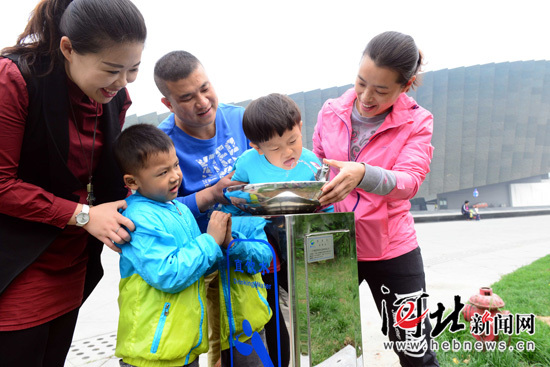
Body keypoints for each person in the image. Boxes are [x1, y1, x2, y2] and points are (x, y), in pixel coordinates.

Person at [0, 0, 146, 365]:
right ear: (68, 48)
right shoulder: (14, 79)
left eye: (133, 69)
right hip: (16, 262)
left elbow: (111, 182)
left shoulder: (113, 96)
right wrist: (83, 216)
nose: (122, 82)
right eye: (112, 69)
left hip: (72, 260)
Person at [313, 31, 439, 366]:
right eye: (361, 82)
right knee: (328, 347)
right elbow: (315, 166)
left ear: (406, 85)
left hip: (393, 249)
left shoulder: (417, 121)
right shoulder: (330, 111)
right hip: (336, 245)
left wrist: (363, 174)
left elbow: (409, 181)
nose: (367, 97)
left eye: (381, 90)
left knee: (415, 351)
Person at [153, 51, 252, 367]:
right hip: (200, 264)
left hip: (249, 254)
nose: (203, 102)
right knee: (216, 349)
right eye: (187, 97)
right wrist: (211, 194)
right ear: (168, 104)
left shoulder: (241, 120)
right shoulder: (161, 144)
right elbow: (156, 211)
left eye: (205, 88)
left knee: (264, 345)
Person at [223, 93, 333, 367]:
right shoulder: (248, 163)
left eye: (293, 140)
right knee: (269, 311)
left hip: (300, 243)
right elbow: (234, 197)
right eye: (275, 147)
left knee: (307, 307)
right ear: (257, 147)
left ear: (300, 126)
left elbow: (327, 208)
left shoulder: (312, 164)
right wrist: (237, 203)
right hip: (264, 246)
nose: (288, 152)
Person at [112, 123, 232, 366]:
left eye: (176, 165)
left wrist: (222, 245)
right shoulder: (138, 218)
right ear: (132, 181)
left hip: (182, 344)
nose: (175, 176)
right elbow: (167, 273)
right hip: (152, 352)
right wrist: (209, 241)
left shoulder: (178, 209)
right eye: (162, 172)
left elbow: (197, 268)